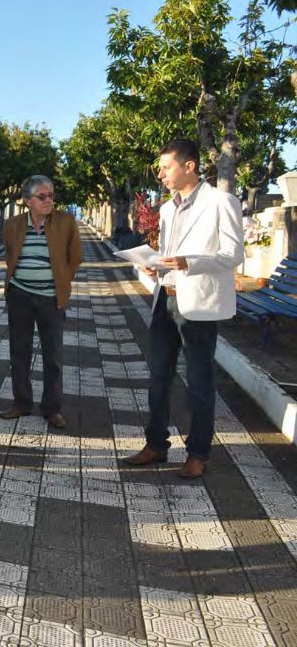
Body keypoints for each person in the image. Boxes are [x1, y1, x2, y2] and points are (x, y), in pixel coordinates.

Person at [123, 139, 243, 478]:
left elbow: (233, 255)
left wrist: (189, 262)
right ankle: (156, 444)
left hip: (199, 305)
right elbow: (169, 254)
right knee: (158, 378)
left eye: (166, 167)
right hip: (166, 299)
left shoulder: (222, 202)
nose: (160, 173)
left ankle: (198, 454)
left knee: (199, 383)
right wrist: (156, 266)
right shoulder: (167, 209)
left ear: (189, 166)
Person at [0, 175, 82, 429]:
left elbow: (75, 257)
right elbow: (10, 254)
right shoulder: (12, 224)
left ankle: (52, 408)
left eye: (51, 196)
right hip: (19, 295)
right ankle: (21, 403)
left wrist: (60, 283)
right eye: (42, 196)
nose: (49, 201)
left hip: (51, 298)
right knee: (19, 351)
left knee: (53, 355)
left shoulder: (66, 223)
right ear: (27, 201)